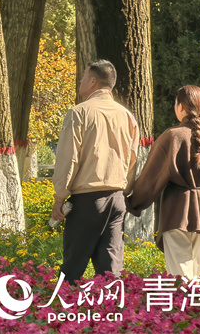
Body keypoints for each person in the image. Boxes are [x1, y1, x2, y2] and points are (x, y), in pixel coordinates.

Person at [125, 86, 200, 279]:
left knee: (180, 275)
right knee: (197, 274)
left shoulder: (172, 136)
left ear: (180, 106)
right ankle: (197, 309)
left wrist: (133, 202)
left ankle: (183, 308)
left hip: (177, 211)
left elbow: (151, 179)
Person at [52, 60, 140, 283]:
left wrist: (59, 197)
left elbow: (68, 159)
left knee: (73, 267)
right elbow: (133, 159)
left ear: (92, 81)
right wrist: (124, 189)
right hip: (118, 199)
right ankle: (112, 314)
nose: (80, 81)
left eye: (83, 77)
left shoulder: (79, 113)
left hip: (87, 201)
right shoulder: (127, 116)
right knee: (110, 270)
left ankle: (62, 314)